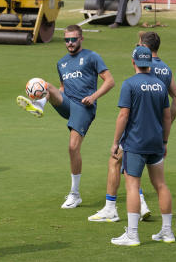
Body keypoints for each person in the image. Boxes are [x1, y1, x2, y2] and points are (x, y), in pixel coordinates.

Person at [16, 25, 115, 209]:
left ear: (81, 39)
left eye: (73, 39)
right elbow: (62, 89)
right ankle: (39, 104)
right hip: (68, 103)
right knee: (46, 85)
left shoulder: (92, 57)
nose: (70, 43)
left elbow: (110, 81)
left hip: (84, 107)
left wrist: (93, 97)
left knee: (72, 147)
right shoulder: (61, 63)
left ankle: (75, 194)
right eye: (67, 40)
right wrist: (50, 96)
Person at [88, 31, 176, 223]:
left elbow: (131, 104)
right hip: (156, 132)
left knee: (119, 162)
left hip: (137, 128)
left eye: (138, 44)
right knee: (154, 179)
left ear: (144, 49)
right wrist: (165, 126)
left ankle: (115, 208)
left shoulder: (143, 67)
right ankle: (158, 222)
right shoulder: (166, 69)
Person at [109, 45, 174, 247]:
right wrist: (164, 141)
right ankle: (167, 231)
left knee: (132, 186)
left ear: (134, 62)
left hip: (135, 143)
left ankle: (133, 234)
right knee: (161, 185)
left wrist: (115, 142)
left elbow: (123, 115)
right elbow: (167, 116)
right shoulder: (160, 85)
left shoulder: (129, 84)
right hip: (156, 142)